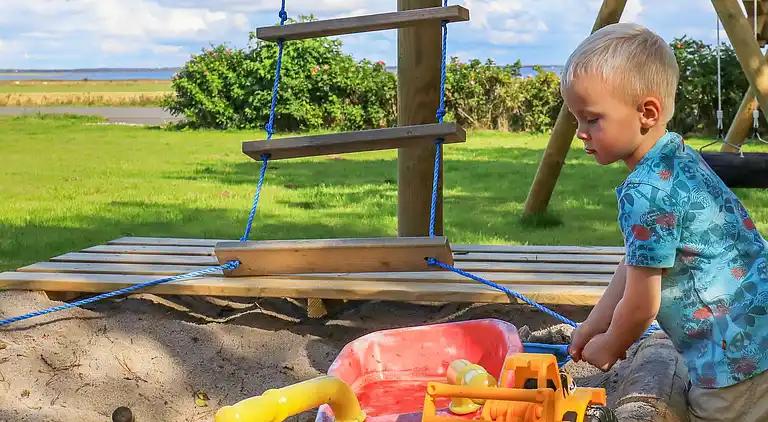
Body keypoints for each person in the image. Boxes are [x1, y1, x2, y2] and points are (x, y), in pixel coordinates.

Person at [560, 22, 768, 421]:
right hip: (755, 332)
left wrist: (611, 346)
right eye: (577, 120)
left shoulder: (645, 191)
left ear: (647, 112)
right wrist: (593, 326)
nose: (581, 134)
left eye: (591, 119)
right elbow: (636, 264)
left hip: (732, 359)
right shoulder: (679, 157)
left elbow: (641, 305)